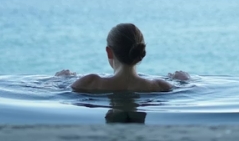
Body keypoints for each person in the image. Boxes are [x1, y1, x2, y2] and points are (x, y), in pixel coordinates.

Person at [56, 23, 189, 92]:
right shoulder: (159, 86)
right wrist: (184, 80)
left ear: (109, 52)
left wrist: (61, 79)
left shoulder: (90, 82)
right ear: (141, 52)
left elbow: (58, 90)